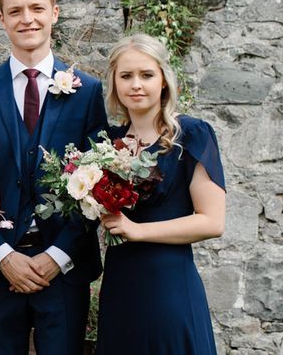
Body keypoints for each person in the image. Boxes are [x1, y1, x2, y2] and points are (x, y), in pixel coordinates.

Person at [0, 0, 109, 355]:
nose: (27, 19)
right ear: (2, 19)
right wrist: (1, 253)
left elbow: (97, 186)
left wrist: (56, 256)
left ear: (54, 13)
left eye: (37, 8)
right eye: (15, 11)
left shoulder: (88, 91)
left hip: (63, 269)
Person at [96, 33, 226, 354]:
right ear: (114, 82)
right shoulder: (105, 144)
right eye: (126, 76)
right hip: (120, 282)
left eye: (146, 74)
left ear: (164, 81)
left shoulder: (192, 134)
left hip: (169, 284)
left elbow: (212, 222)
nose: (136, 84)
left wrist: (137, 230)